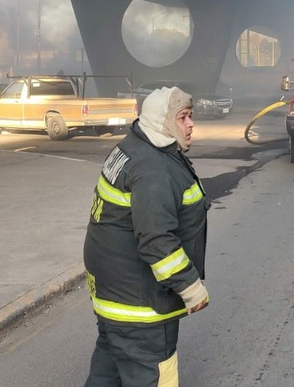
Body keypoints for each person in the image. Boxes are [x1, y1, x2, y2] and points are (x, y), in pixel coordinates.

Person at [83, 86, 210, 386]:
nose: (191, 124)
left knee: (108, 370)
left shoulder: (136, 146)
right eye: (182, 118)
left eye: (191, 117)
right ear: (161, 120)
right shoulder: (154, 170)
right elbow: (157, 241)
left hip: (113, 297)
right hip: (142, 307)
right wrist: (191, 288)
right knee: (151, 376)